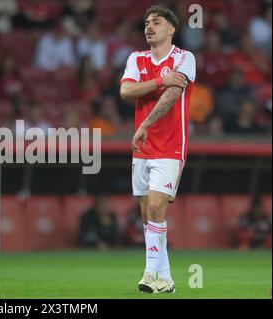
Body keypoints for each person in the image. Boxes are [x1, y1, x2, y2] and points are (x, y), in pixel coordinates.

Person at [120, 6, 195, 294]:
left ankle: (149, 273)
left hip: (171, 145)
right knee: (146, 214)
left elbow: (173, 96)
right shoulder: (136, 58)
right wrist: (160, 80)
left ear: (171, 29)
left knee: (155, 207)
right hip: (143, 147)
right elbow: (126, 91)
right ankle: (166, 278)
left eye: (157, 22)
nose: (149, 27)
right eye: (146, 22)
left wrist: (145, 124)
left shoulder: (184, 58)